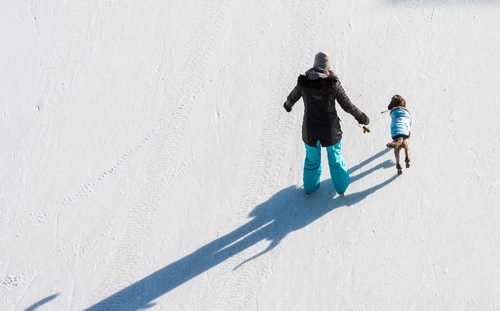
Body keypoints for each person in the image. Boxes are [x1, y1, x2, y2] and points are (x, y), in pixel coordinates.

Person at [283, 52, 370, 195]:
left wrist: (288, 105)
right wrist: (362, 117)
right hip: (331, 130)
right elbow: (347, 106)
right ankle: (341, 188)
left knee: (312, 160)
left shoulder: (303, 83)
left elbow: (292, 97)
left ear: (314, 65)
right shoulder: (333, 84)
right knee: (335, 159)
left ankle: (310, 188)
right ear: (327, 68)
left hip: (310, 130)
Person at [385, 95, 411, 174]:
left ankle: (398, 164)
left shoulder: (393, 114)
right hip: (405, 135)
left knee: (397, 150)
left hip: (395, 134)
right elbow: (409, 124)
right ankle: (407, 158)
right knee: (406, 143)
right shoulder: (406, 114)